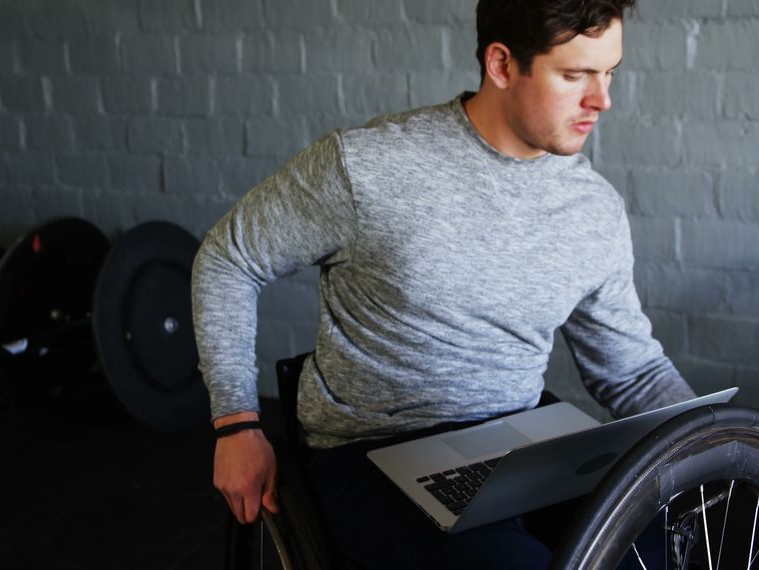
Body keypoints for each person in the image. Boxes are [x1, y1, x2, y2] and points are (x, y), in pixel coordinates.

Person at [191, 0, 696, 567]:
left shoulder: (593, 210)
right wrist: (236, 423)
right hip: (375, 453)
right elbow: (229, 258)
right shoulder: (367, 166)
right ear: (502, 65)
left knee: (663, 553)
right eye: (575, 75)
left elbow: (631, 372)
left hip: (524, 443)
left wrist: (726, 441)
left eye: (609, 73)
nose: (602, 100)